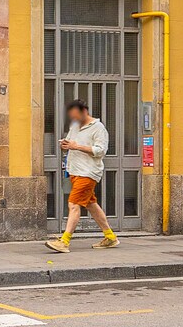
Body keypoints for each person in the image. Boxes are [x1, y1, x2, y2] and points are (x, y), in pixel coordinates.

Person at [47, 98, 118, 252]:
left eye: (76, 115)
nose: (74, 119)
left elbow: (101, 151)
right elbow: (72, 144)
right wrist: (66, 145)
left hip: (88, 172)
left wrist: (76, 146)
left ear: (84, 112)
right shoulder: (75, 126)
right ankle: (110, 237)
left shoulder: (98, 128)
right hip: (75, 171)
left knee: (73, 204)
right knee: (91, 204)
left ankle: (64, 241)